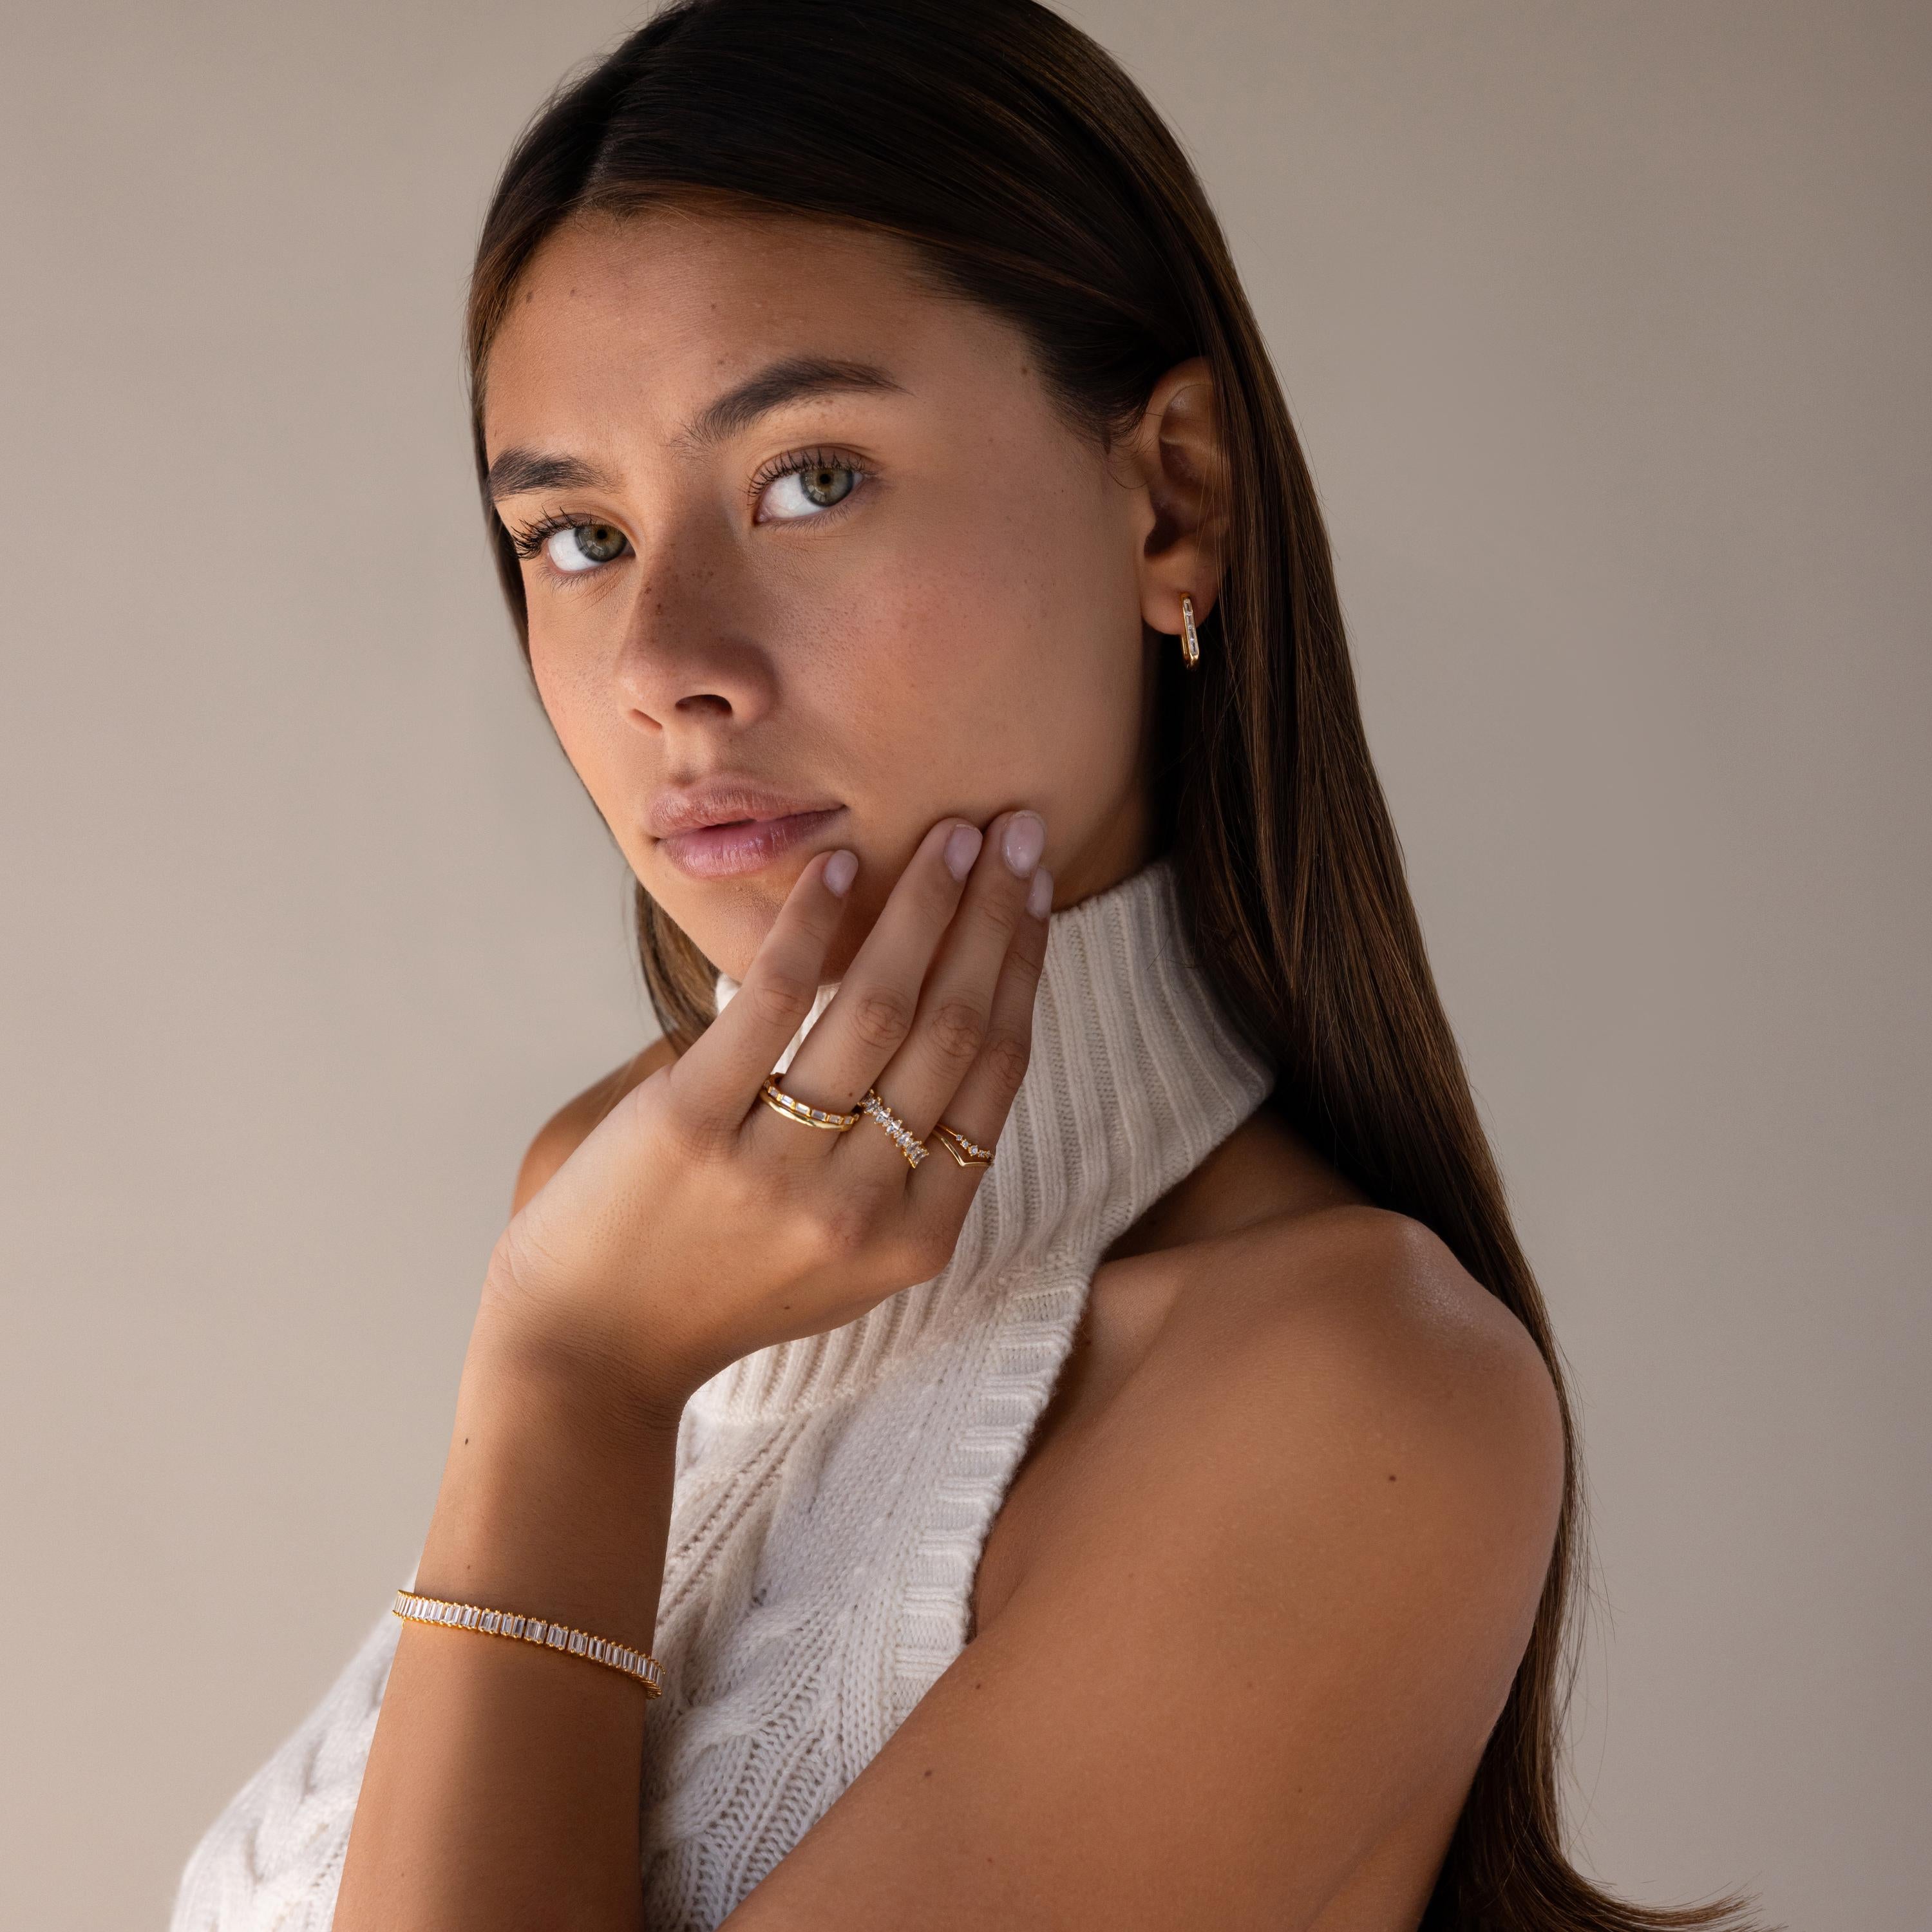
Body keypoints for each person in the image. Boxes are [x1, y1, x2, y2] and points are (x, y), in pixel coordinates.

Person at [172, 3, 1768, 1927]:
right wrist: (580, 1345)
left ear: (1170, 494)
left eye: (810, 480)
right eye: (578, 532)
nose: (667, 658)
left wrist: (574, 1390)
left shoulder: (1355, 1403)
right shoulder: (610, 1211)